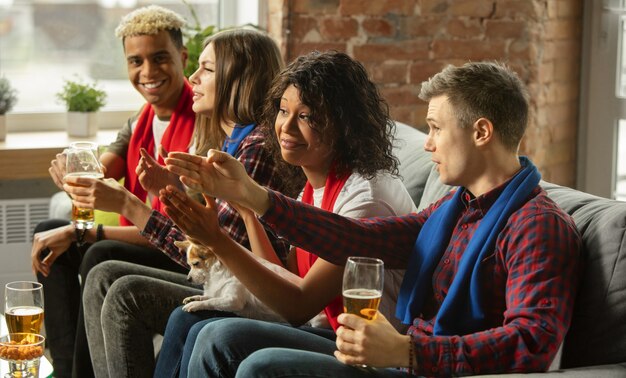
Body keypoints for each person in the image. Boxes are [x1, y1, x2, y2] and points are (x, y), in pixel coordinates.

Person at [164, 61, 583, 376]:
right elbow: (357, 240)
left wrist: (409, 352)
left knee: (255, 362)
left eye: (435, 129)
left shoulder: (536, 226)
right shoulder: (455, 208)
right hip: (406, 354)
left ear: (481, 132)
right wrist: (254, 196)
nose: (428, 144)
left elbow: (533, 341)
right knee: (217, 334)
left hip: (422, 364)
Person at [152, 50, 416, 377]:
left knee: (218, 335)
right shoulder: (314, 185)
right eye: (283, 110)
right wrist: (249, 213)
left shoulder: (366, 199)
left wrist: (217, 240)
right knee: (190, 320)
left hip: (362, 345)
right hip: (325, 328)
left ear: (345, 124)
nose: (286, 127)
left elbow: (297, 306)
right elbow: (285, 276)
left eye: (306, 116)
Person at [70, 28, 291, 378]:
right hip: (224, 278)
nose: (193, 78)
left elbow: (212, 251)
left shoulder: (256, 149)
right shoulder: (232, 139)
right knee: (103, 272)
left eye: (206, 69)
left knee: (121, 287)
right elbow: (205, 235)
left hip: (242, 291)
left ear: (238, 78)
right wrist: (165, 191)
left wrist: (130, 204)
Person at [30, 6, 195, 378]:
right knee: (48, 230)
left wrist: (83, 230)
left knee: (98, 251)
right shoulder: (140, 120)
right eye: (135, 61)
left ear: (182, 57)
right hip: (149, 236)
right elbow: (99, 171)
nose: (148, 72)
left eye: (160, 58)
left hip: (177, 250)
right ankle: (65, 370)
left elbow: (172, 232)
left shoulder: (201, 122)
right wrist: (71, 169)